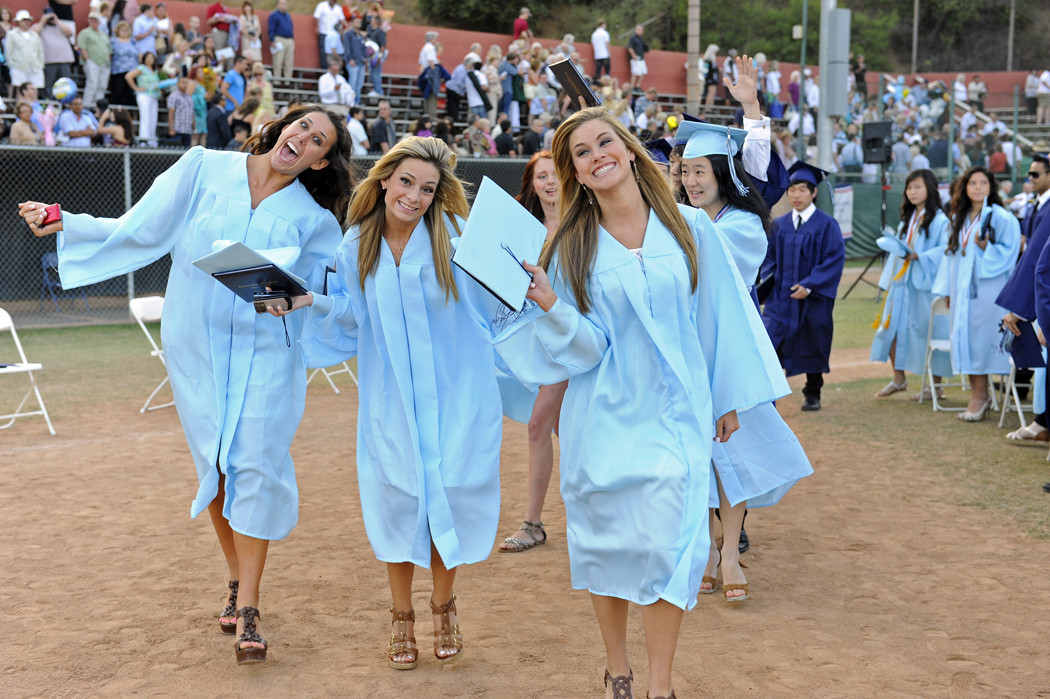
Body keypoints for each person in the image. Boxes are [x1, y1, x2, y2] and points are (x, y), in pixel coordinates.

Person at [18, 105, 354, 666]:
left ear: (320, 162)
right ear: (282, 128)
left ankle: (250, 610)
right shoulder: (203, 168)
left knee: (255, 466)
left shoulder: (315, 222)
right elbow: (141, 228)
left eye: (318, 140)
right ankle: (236, 578)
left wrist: (297, 298)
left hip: (267, 355)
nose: (304, 137)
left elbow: (331, 298)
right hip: (197, 346)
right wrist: (66, 221)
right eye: (301, 125)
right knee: (218, 469)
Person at [491, 106, 789, 699]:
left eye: (605, 142)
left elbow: (719, 313)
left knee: (672, 544)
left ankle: (659, 685)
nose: (596, 155)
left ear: (629, 150)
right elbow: (584, 350)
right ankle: (618, 671)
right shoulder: (571, 247)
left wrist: (727, 396)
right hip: (602, 415)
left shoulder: (689, 226)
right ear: (575, 172)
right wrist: (551, 305)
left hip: (676, 414)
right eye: (581, 152)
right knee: (605, 544)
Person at [282, 136, 501, 672]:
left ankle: (444, 606)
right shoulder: (357, 243)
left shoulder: (454, 236)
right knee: (399, 500)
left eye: (427, 188)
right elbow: (354, 316)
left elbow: (496, 305)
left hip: (455, 393)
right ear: (384, 181)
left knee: (449, 495)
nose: (415, 196)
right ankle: (402, 616)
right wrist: (309, 300)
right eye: (406, 182)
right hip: (392, 399)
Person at [497, 150, 565, 553]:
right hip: (538, 342)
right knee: (546, 427)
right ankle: (534, 523)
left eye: (556, 174)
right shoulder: (524, 232)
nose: (550, 182)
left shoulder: (585, 224)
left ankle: (537, 522)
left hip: (577, 341)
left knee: (557, 428)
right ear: (532, 184)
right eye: (542, 176)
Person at [932, 166, 1021, 420]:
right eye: (973, 183)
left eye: (984, 183)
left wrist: (986, 249)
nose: (978, 188)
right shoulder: (959, 218)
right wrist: (947, 289)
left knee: (980, 341)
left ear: (991, 187)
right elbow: (950, 257)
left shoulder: (1001, 218)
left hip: (988, 292)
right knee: (965, 339)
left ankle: (980, 397)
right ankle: (978, 395)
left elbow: (1009, 253)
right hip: (961, 290)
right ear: (965, 187)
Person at [762, 162, 846, 411]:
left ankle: (813, 393)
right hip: (781, 297)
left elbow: (833, 259)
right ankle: (768, 396)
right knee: (770, 342)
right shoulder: (779, 225)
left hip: (812, 298)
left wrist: (809, 285)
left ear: (814, 192)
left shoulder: (827, 225)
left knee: (813, 341)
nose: (796, 195)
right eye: (792, 190)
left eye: (802, 190)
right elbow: (768, 259)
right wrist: (768, 283)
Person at [870, 169, 951, 400]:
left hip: (924, 286)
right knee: (892, 328)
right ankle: (899, 379)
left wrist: (920, 256)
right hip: (902, 283)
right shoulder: (909, 218)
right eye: (909, 187)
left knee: (930, 331)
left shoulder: (940, 220)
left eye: (917, 187)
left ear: (930, 189)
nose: (912, 192)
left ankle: (935, 386)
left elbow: (945, 250)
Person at [998, 154, 1050, 442]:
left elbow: (1037, 263)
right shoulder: (1038, 204)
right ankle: (1042, 421)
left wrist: (1020, 309)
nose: (1030, 179)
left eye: (1036, 174)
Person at [126, 50, 173, 147]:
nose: (151, 59)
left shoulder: (154, 71)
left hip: (154, 96)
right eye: (148, 57)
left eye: (152, 57)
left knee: (153, 118)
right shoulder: (142, 68)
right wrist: (136, 88)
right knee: (145, 117)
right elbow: (128, 76)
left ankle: (152, 140)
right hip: (144, 95)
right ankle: (144, 140)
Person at [35, 7, 74, 94]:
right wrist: (42, 21)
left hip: (64, 60)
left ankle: (64, 100)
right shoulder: (41, 27)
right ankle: (48, 100)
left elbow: (70, 33)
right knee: (48, 83)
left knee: (65, 83)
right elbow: (33, 33)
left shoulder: (60, 25)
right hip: (49, 61)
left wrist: (57, 21)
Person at [77, 12, 111, 108]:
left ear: (99, 22)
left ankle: (99, 107)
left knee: (102, 86)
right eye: (91, 20)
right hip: (92, 62)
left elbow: (108, 49)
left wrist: (108, 59)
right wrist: (88, 60)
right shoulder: (85, 33)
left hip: (104, 63)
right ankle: (87, 106)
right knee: (92, 84)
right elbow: (82, 47)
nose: (93, 22)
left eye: (95, 20)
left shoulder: (103, 35)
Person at [7, 10, 44, 90]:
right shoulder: (12, 34)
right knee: (20, 89)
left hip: (35, 67)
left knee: (34, 89)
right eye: (24, 20)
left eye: (28, 20)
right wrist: (12, 64)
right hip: (19, 67)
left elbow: (40, 51)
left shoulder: (34, 35)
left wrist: (40, 64)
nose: (27, 22)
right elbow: (8, 51)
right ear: (18, 22)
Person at [267, 0, 295, 85]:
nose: (284, 5)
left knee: (289, 62)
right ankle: (277, 81)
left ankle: (287, 82)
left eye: (285, 4)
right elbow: (271, 28)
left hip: (289, 40)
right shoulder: (274, 15)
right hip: (279, 39)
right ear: (278, 5)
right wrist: (272, 40)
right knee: (277, 61)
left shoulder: (288, 16)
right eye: (282, 3)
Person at [167, 75, 195, 147]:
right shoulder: (174, 96)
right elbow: (171, 113)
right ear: (178, 83)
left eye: (186, 83)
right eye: (183, 82)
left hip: (188, 130)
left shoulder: (189, 98)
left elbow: (192, 114)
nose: (185, 85)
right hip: (178, 130)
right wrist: (171, 129)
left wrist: (194, 129)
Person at [313, 0, 342, 69]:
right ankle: (324, 68)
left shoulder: (338, 8)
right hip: (324, 32)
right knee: (323, 52)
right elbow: (316, 17)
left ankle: (334, 68)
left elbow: (342, 19)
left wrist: (348, 27)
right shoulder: (322, 5)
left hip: (334, 34)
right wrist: (317, 27)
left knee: (334, 51)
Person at [366, 15, 386, 97]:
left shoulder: (380, 32)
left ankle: (379, 91)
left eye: (372, 21)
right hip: (371, 56)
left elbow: (383, 45)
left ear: (375, 22)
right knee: (373, 73)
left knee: (376, 73)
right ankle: (376, 89)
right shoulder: (371, 31)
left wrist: (379, 56)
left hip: (377, 56)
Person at [626, 24, 648, 92]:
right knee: (635, 73)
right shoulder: (633, 38)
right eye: (638, 30)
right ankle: (632, 87)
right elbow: (629, 47)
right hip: (635, 59)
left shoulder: (641, 39)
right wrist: (633, 55)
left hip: (641, 58)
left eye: (640, 30)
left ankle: (637, 86)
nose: (639, 31)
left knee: (643, 72)